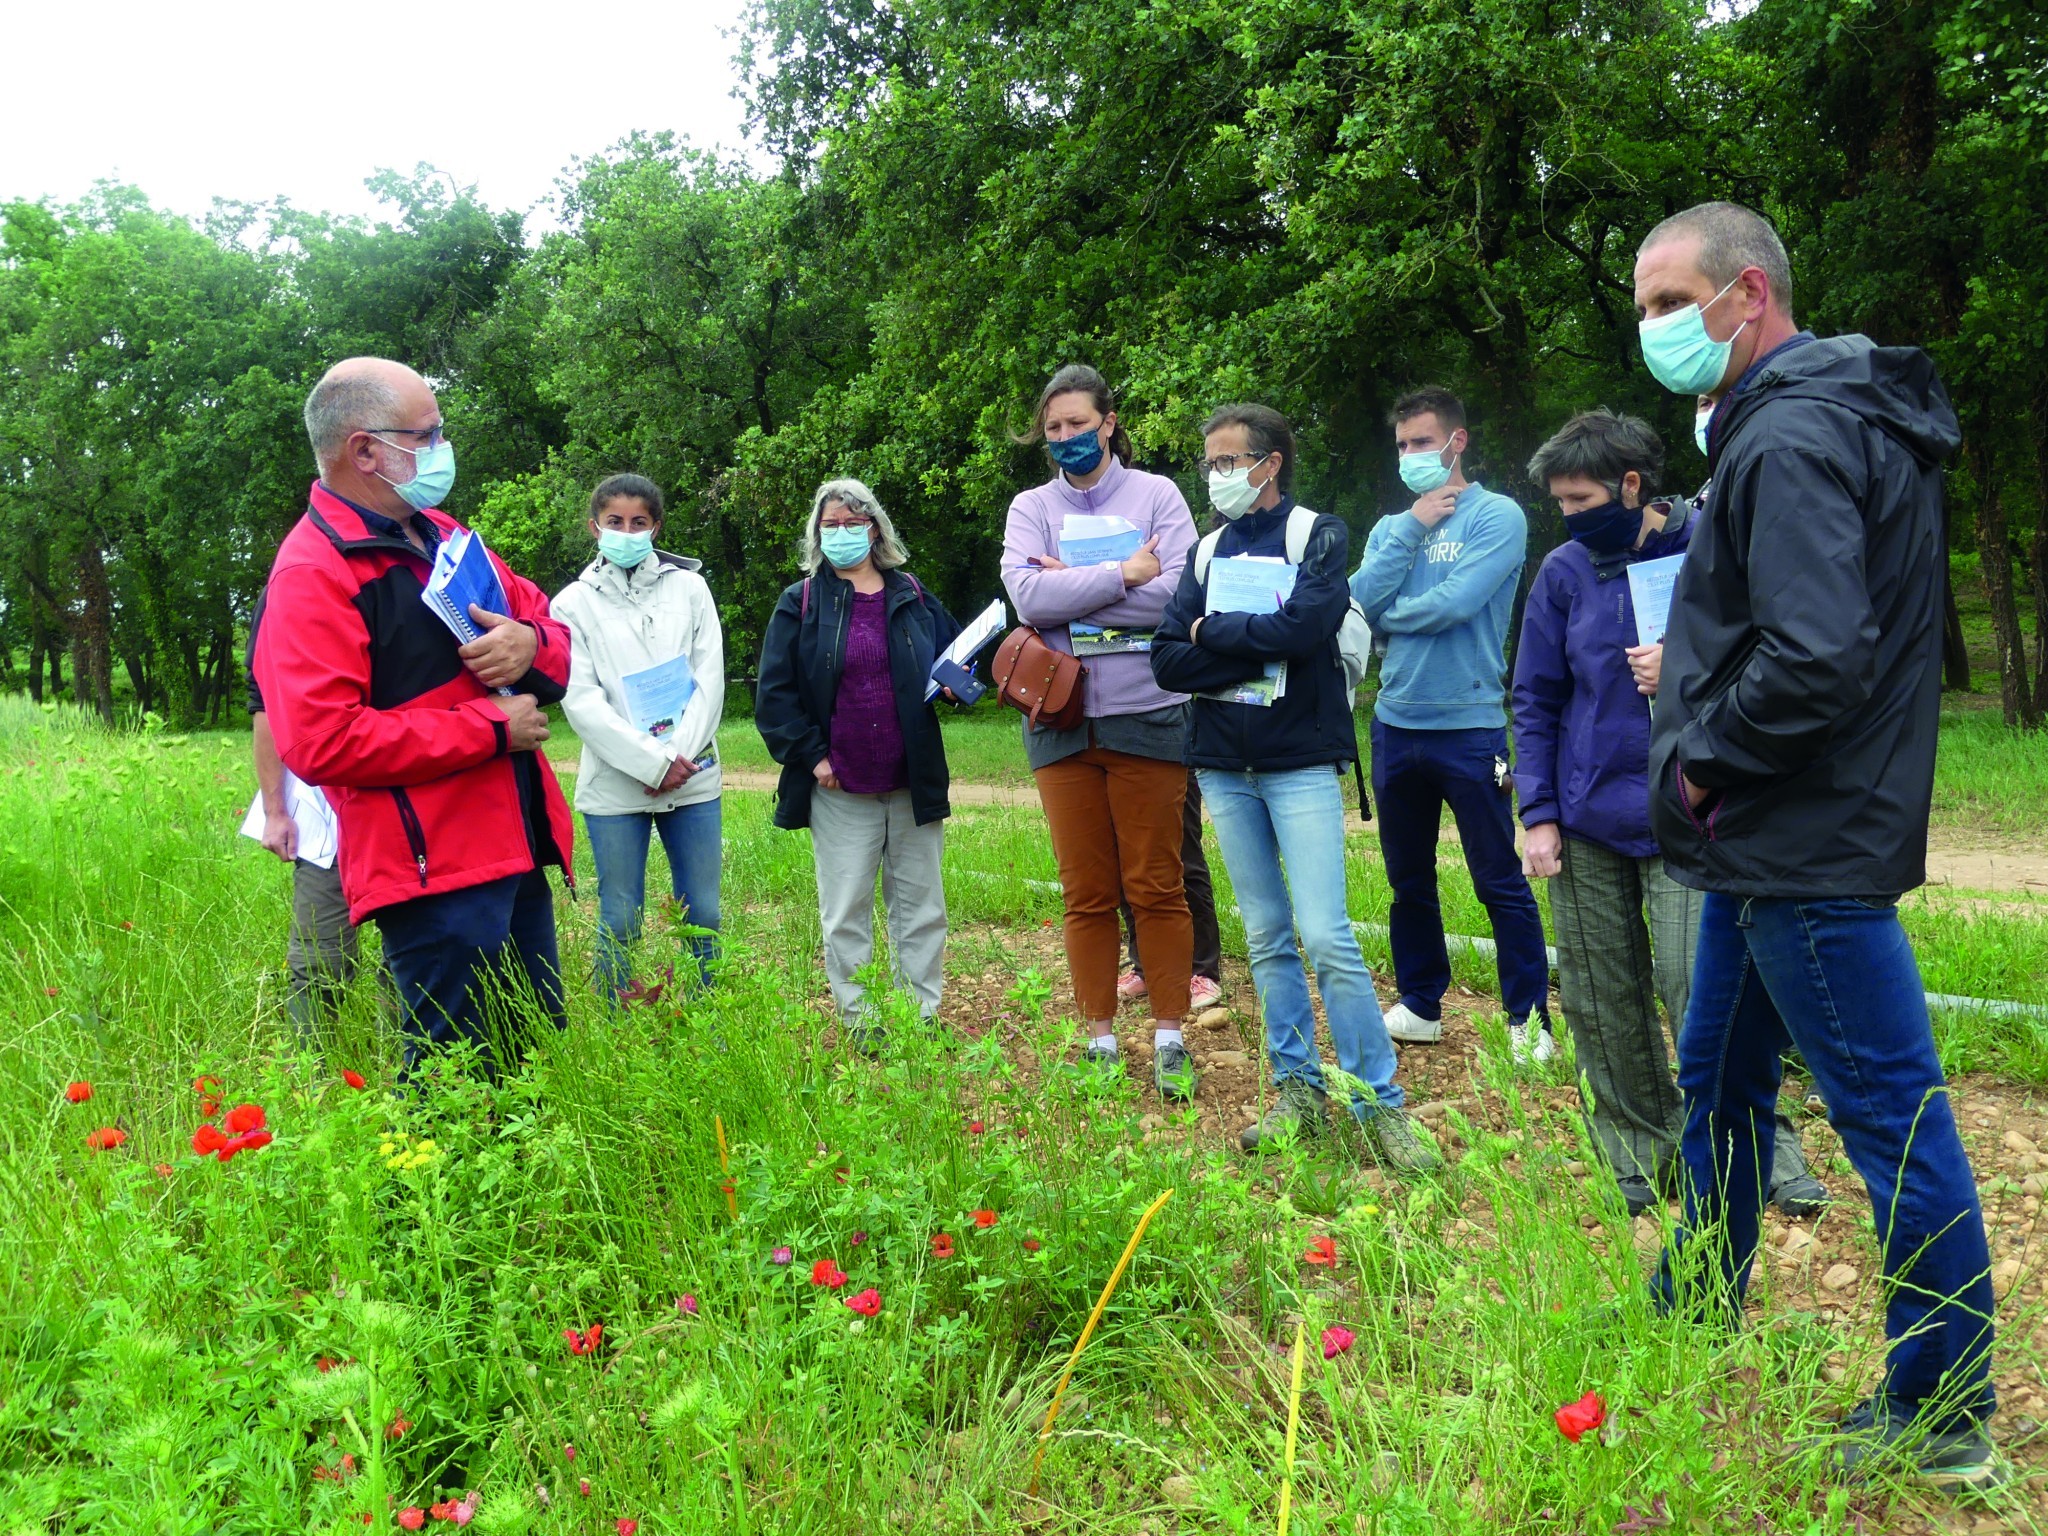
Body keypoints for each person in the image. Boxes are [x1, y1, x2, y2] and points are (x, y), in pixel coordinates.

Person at [1635, 201, 1997, 1488]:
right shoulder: (1819, 416)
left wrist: (1697, 756)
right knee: (1718, 1076)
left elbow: (1813, 651)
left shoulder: (1787, 433)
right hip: (1773, 839)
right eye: (1640, 310)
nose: (1654, 331)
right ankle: (1691, 1304)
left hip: (1799, 836)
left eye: (1670, 303)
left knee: (1886, 1111)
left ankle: (1942, 1403)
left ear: (1748, 293)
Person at [1514, 408, 1828, 1220]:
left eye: (1582, 500)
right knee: (1599, 997)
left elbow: (1781, 658)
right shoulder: (1563, 573)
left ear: (1630, 486)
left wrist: (1688, 668)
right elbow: (1535, 698)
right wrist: (1537, 812)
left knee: (1706, 992)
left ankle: (1764, 1151)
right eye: (1560, 505)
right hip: (1586, 822)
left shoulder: (1711, 546)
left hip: (1695, 813)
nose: (1571, 518)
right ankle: (1640, 1155)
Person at [252, 357, 574, 1077]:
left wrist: (529, 644)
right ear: (365, 449)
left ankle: (521, 1193)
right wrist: (493, 730)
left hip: (511, 846)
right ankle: (436, 1197)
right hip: (430, 870)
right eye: (426, 435)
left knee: (530, 1052)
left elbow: (546, 624)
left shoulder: (440, 533)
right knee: (453, 1075)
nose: (442, 449)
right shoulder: (314, 571)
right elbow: (321, 740)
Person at [1153, 404, 1436, 1169]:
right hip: (1221, 764)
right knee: (1269, 939)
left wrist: (1214, 634)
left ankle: (1381, 1105)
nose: (1217, 477)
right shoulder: (1207, 550)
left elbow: (1307, 628)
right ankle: (1297, 1093)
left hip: (1299, 762)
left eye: (1229, 461)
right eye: (1209, 463)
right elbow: (1166, 658)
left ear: (1270, 462)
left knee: (1326, 936)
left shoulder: (1320, 534)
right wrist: (1239, 642)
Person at [1001, 364, 1200, 1101]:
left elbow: (1177, 598)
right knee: (1085, 890)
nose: (1066, 439)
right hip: (1059, 719)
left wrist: (1072, 591)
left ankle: (1172, 1036)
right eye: (1053, 429)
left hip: (1148, 711)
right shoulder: (1031, 507)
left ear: (1109, 423)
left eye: (1078, 424)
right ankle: (1100, 1038)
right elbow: (1025, 594)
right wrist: (1123, 573)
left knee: (1155, 882)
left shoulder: (1159, 496)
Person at [1349, 389, 1554, 1061]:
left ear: (1457, 441)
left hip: (1468, 726)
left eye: (1423, 442)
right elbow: (1354, 601)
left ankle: (1528, 1021)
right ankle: (1419, 1004)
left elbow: (1457, 604)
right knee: (1408, 881)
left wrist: (1385, 619)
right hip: (1395, 723)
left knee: (1497, 876)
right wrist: (1410, 525)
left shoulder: (1498, 517)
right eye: (1403, 445)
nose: (1412, 455)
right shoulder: (1391, 527)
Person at [755, 478, 960, 1051]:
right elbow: (774, 697)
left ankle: (922, 1014)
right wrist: (813, 757)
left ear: (876, 527)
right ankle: (861, 1020)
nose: (843, 533)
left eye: (854, 522)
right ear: (818, 534)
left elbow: (956, 660)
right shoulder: (800, 602)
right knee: (846, 910)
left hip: (911, 779)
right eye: (831, 525)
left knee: (922, 908)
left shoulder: (913, 595)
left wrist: (955, 685)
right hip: (840, 784)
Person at [553, 474, 724, 1006]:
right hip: (616, 784)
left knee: (703, 911)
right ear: (594, 527)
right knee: (621, 913)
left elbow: (710, 677)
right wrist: (651, 764)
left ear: (656, 527)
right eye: (614, 523)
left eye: (639, 523)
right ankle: (616, 1020)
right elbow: (581, 701)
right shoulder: (571, 604)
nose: (627, 532)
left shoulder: (690, 588)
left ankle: (705, 1016)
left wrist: (678, 758)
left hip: (693, 777)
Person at [246, 587, 393, 1036]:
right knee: (318, 961)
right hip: (324, 809)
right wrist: (275, 809)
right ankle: (312, 1081)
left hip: (406, 798)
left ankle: (417, 1077)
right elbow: (267, 706)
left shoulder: (403, 575)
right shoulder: (286, 592)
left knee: (413, 952)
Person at [1116, 774, 1225, 1012]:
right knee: (1128, 860)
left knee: (1184, 857)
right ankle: (1143, 966)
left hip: (1170, 751)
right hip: (1116, 748)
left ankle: (1202, 970)